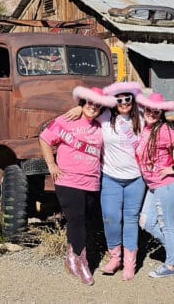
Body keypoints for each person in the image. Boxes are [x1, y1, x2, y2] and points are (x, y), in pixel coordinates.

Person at [64, 81, 145, 280]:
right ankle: (115, 256)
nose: (124, 103)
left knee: (131, 219)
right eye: (119, 99)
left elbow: (160, 126)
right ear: (113, 102)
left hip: (136, 178)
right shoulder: (105, 117)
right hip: (111, 177)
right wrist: (77, 107)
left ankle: (129, 263)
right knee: (110, 218)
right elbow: (89, 110)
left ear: (133, 101)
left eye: (128, 99)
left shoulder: (142, 119)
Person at [39, 86, 116, 286]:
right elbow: (45, 138)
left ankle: (73, 255)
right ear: (82, 102)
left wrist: (84, 108)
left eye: (97, 105)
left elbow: (117, 112)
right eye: (89, 102)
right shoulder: (67, 120)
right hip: (69, 180)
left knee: (89, 220)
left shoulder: (101, 125)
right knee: (76, 219)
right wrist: (51, 164)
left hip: (92, 182)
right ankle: (79, 262)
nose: (93, 107)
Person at [135, 92, 174, 278]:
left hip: (167, 184)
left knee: (166, 225)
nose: (152, 113)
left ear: (162, 113)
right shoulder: (145, 128)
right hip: (154, 186)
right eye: (149, 109)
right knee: (146, 222)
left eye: (157, 111)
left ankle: (170, 266)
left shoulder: (163, 130)